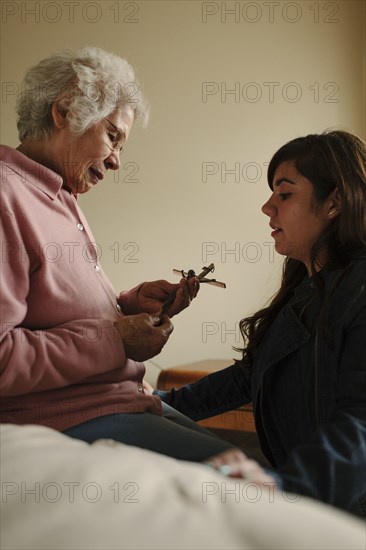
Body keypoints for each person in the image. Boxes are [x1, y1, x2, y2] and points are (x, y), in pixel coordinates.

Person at [0, 46, 258, 466]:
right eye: (113, 136)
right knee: (254, 485)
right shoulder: (7, 195)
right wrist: (116, 339)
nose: (118, 161)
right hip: (66, 419)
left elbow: (52, 314)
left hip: (118, 401)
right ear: (64, 111)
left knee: (252, 470)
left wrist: (129, 306)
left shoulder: (57, 195)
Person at [154, 130, 366, 517]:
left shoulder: (359, 289)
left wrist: (284, 486)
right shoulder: (305, 286)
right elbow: (249, 376)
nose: (267, 208)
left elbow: (361, 425)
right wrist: (164, 404)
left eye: (284, 194)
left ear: (334, 202)